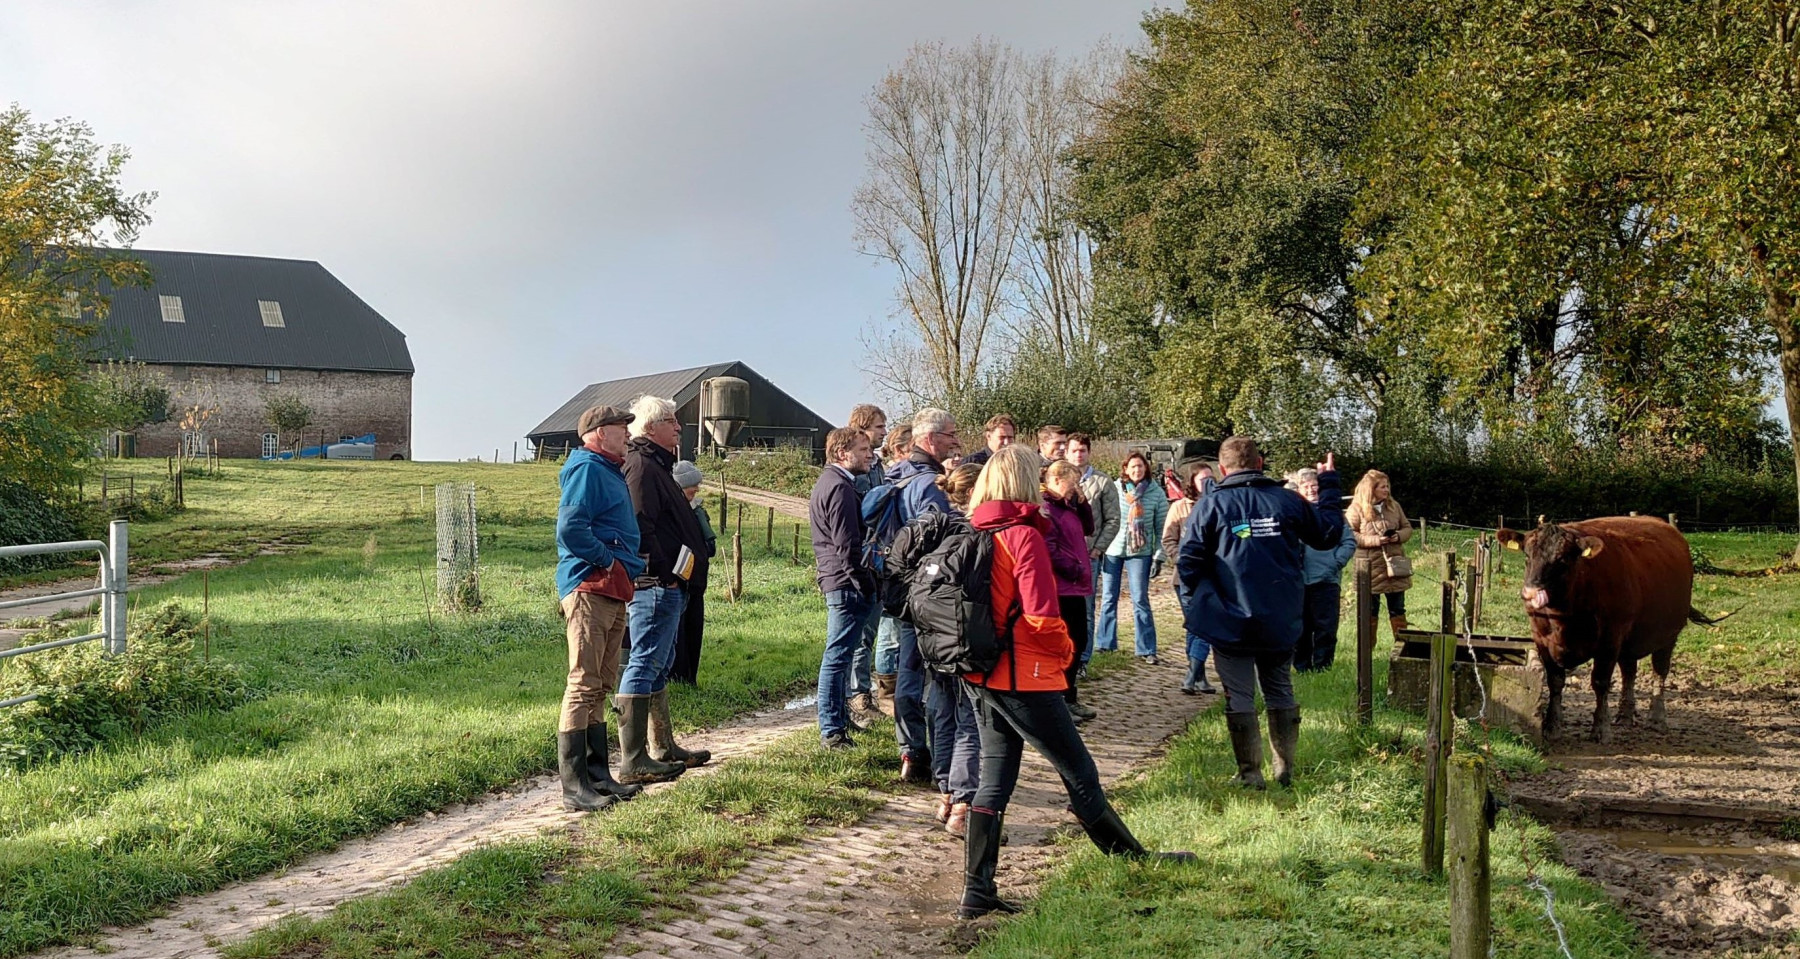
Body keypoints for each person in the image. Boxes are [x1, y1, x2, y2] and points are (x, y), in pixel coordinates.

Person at [959, 446, 1194, 919]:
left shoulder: (975, 529)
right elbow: (1042, 615)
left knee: (995, 780)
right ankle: (1132, 858)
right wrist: (1067, 659)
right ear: (1026, 481)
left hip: (980, 674)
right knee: (1079, 772)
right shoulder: (1022, 535)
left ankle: (976, 891)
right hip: (1025, 675)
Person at [1177, 437, 1344, 789]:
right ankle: (1284, 769)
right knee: (1279, 688)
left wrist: (1196, 604)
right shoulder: (1286, 500)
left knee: (1238, 693)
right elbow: (1327, 534)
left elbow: (1188, 560)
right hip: (1280, 615)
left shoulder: (1211, 505)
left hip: (1228, 617)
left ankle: (1250, 774)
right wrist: (1329, 484)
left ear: (1222, 469)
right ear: (1260, 463)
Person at [553, 404, 647, 811]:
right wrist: (608, 560)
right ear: (597, 432)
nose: (628, 433)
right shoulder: (588, 468)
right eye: (620, 427)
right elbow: (571, 527)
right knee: (583, 682)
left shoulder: (607, 469)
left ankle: (597, 776)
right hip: (591, 587)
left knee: (601, 683)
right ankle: (574, 786)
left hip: (612, 589)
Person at [617, 394, 712, 783]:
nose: (679, 427)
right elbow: (641, 526)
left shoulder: (658, 464)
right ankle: (633, 759)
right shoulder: (641, 465)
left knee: (658, 662)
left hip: (667, 584)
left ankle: (662, 746)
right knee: (643, 662)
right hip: (655, 585)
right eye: (672, 421)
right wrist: (667, 571)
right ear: (651, 427)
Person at [884, 408, 961, 782]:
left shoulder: (894, 473)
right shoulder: (931, 484)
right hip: (929, 593)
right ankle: (928, 756)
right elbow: (943, 542)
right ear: (930, 440)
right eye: (950, 434)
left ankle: (909, 752)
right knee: (932, 677)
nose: (956, 440)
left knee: (908, 671)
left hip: (899, 588)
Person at [809, 427, 877, 749]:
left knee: (842, 656)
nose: (869, 453)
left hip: (840, 580)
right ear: (841, 454)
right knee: (836, 657)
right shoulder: (838, 487)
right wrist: (865, 585)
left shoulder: (834, 483)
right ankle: (832, 731)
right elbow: (847, 545)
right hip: (845, 583)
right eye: (862, 448)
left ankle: (840, 720)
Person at [926, 460, 985, 836]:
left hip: (932, 637)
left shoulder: (937, 528)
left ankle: (945, 795)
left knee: (943, 713)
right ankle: (963, 805)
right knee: (970, 722)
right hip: (964, 640)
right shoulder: (978, 534)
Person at [1097, 451, 1169, 664]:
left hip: (1141, 552)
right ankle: (1105, 643)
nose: (1137, 470)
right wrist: (1099, 547)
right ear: (1125, 470)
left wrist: (1159, 556)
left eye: (1140, 466)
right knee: (1109, 597)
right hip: (1113, 550)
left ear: (1146, 468)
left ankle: (1147, 648)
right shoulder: (1115, 489)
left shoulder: (1155, 493)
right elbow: (1104, 520)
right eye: (1133, 467)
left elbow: (1161, 528)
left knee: (1140, 598)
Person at [1040, 459, 1097, 721]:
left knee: (1079, 641)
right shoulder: (1048, 509)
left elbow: (1089, 528)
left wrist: (1083, 502)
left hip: (1077, 584)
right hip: (1063, 586)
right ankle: (1061, 700)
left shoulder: (1067, 506)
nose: (1075, 488)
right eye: (1072, 483)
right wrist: (1073, 569)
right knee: (1068, 644)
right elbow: (1049, 549)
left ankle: (1070, 695)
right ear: (1056, 480)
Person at [846, 404, 889, 717]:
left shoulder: (877, 464)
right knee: (859, 634)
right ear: (862, 428)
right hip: (859, 556)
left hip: (879, 556)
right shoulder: (853, 468)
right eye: (878, 427)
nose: (883, 433)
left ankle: (863, 691)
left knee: (870, 631)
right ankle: (857, 694)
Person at [1293, 468, 1357, 671]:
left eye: (1314, 486)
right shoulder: (1294, 512)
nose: (1311, 490)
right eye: (1306, 486)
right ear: (1300, 489)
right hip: (1299, 582)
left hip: (1326, 580)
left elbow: (1349, 542)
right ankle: (1302, 667)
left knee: (1326, 628)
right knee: (1301, 628)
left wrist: (1335, 563)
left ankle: (1323, 667)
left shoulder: (1333, 514)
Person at [1065, 433, 1119, 673]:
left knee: (1085, 609)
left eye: (1082, 450)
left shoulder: (1103, 481)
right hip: (1062, 555)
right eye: (1074, 450)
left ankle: (1083, 660)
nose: (1078, 455)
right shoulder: (1057, 479)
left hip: (1088, 555)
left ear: (1089, 452)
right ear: (1067, 452)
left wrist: (1099, 548)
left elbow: (1113, 519)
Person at [870, 425, 913, 718]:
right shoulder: (893, 482)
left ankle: (898, 687)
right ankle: (886, 690)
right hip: (892, 560)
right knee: (889, 630)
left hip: (901, 560)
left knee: (897, 628)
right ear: (900, 451)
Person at [1161, 463, 1216, 695]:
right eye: (1202, 479)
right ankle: (1196, 675)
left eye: (1210, 479)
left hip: (1212, 576)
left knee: (1201, 625)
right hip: (1185, 576)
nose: (1206, 483)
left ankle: (1194, 675)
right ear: (1192, 481)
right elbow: (1168, 539)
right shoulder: (1180, 507)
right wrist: (1182, 559)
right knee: (1196, 625)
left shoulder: (1218, 505)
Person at [1346, 469, 1414, 637]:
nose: (1387, 490)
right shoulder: (1356, 509)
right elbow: (1349, 534)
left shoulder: (1394, 506)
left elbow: (1407, 527)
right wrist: (1375, 540)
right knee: (1370, 612)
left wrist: (1397, 536)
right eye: (1382, 487)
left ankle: (1402, 647)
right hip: (1370, 570)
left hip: (1394, 566)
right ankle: (1367, 654)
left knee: (1398, 609)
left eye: (1387, 486)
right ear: (1371, 489)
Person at [669, 460, 715, 687]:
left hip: (695, 582)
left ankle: (689, 679)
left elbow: (711, 546)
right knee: (677, 634)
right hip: (677, 581)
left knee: (693, 631)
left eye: (697, 485)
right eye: (691, 485)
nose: (696, 489)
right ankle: (676, 680)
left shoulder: (698, 510)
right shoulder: (671, 510)